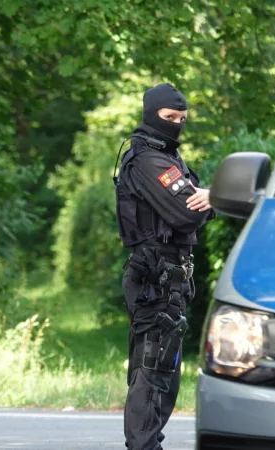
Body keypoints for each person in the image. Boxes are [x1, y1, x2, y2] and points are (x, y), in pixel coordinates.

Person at [113, 83, 214, 449]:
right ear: (151, 114)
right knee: (151, 369)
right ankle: (143, 446)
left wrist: (207, 200)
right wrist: (202, 201)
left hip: (171, 276)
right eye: (169, 118)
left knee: (163, 371)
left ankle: (149, 442)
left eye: (182, 119)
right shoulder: (148, 160)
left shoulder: (170, 158)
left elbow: (203, 206)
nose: (176, 125)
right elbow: (187, 212)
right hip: (154, 274)